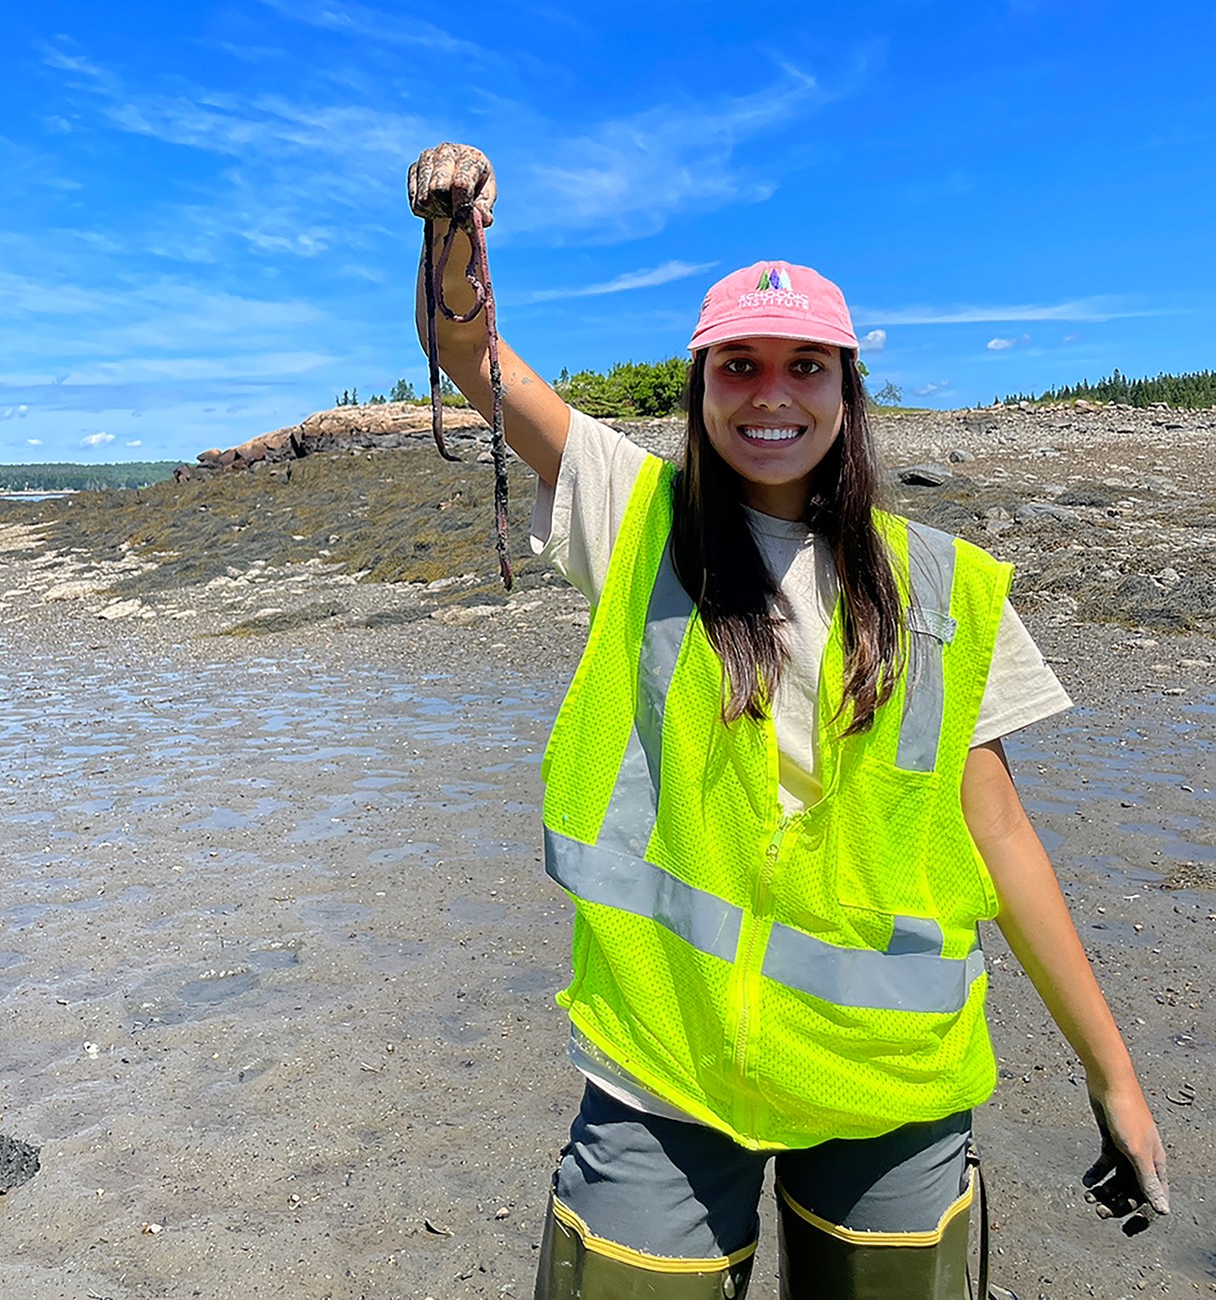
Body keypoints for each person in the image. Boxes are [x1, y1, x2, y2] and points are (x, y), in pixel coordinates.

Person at [407, 142, 1170, 1300]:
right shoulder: (637, 516)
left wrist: (1112, 1076)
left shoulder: (943, 590)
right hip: (666, 1069)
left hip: (886, 1083)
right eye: (742, 366)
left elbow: (1001, 836)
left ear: (846, 388)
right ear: (700, 384)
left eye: (807, 366)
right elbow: (467, 353)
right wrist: (456, 220)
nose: (773, 394)